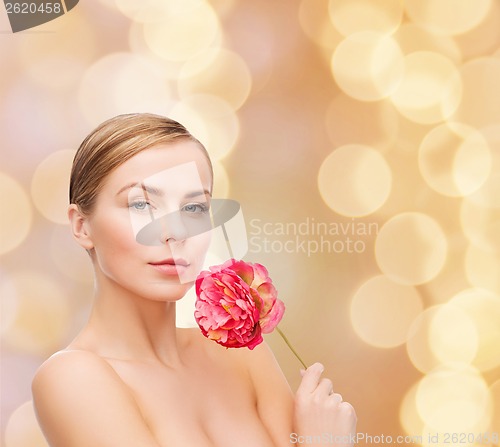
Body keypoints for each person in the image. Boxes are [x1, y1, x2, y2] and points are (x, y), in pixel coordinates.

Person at [32, 113, 357, 447]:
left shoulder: (241, 357)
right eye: (142, 204)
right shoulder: (72, 378)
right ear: (82, 226)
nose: (175, 232)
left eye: (193, 209)